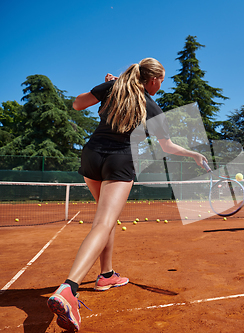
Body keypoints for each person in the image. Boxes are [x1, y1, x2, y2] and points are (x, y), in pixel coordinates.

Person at [46, 58, 208, 332]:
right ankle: (69, 289)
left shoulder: (113, 88)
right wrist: (193, 153)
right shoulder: (152, 106)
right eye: (161, 80)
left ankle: (106, 275)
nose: (160, 85)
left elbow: (77, 104)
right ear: (153, 79)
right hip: (119, 160)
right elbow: (167, 147)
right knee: (104, 223)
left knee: (103, 220)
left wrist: (108, 85)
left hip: (91, 155)